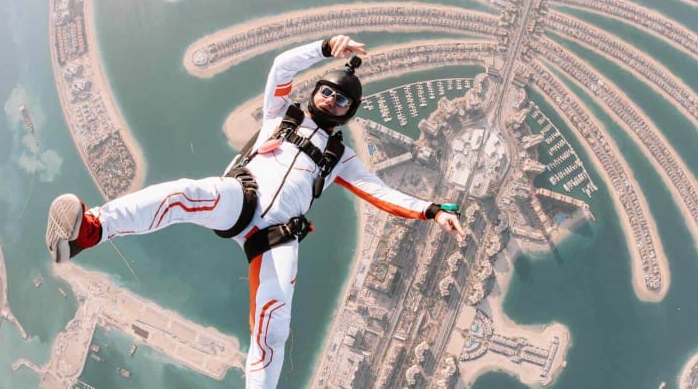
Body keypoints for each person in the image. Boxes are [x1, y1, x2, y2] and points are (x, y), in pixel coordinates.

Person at [45, 35, 464, 388]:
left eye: (341, 100)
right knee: (183, 195)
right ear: (315, 91)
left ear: (349, 113)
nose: (331, 100)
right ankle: (92, 229)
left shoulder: (339, 158)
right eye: (327, 91)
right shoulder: (280, 115)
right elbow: (281, 67)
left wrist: (430, 211)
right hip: (242, 199)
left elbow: (379, 192)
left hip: (278, 235)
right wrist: (324, 47)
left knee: (273, 327)